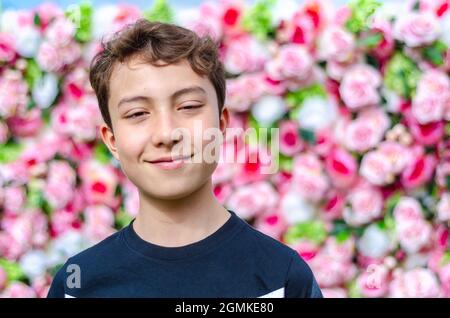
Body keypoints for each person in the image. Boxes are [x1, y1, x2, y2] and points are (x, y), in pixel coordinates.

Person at [47, 19, 322, 298]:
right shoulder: (78, 284)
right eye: (138, 113)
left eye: (189, 106)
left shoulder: (281, 277)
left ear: (222, 124)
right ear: (112, 140)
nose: (167, 134)